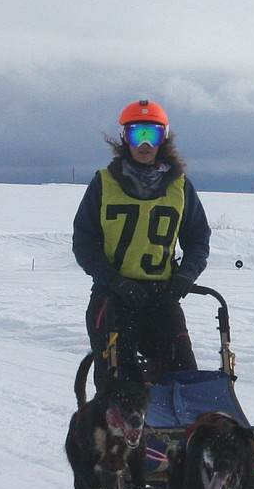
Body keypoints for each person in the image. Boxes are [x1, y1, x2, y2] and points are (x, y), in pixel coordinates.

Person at [72, 99, 211, 391]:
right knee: (116, 390)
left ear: (164, 138)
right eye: (137, 134)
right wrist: (113, 281)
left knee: (186, 382)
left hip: (162, 300)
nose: (145, 144)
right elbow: (84, 242)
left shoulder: (180, 187)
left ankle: (178, 436)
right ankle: (118, 435)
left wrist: (187, 275)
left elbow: (198, 239)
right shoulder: (104, 183)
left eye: (153, 135)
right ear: (125, 137)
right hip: (113, 301)